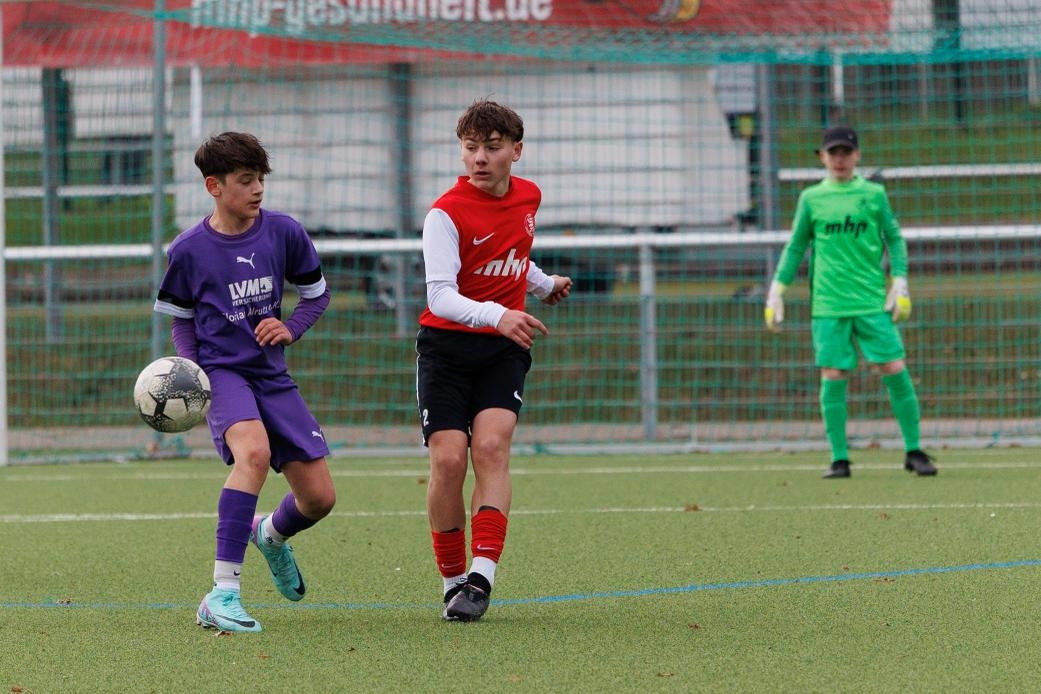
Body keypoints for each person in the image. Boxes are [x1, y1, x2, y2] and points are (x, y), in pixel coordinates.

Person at [153, 132, 336, 633]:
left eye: (260, 180)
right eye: (245, 180)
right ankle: (222, 594)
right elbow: (182, 320)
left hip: (271, 374)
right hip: (222, 373)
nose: (257, 190)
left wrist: (291, 327)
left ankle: (270, 535)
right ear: (214, 186)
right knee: (253, 454)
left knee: (319, 498)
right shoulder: (188, 249)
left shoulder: (284, 232)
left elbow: (316, 295)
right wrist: (194, 376)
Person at [416, 99, 573, 622]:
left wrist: (544, 284)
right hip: (445, 349)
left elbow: (513, 251)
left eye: (492, 147)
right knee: (449, 461)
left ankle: (480, 579)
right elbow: (440, 296)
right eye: (471, 148)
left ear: (516, 151)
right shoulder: (444, 214)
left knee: (490, 447)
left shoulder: (529, 196)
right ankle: (452, 581)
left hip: (503, 349)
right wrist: (498, 314)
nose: (480, 158)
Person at [764, 124, 937, 479]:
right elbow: (796, 246)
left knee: (894, 367)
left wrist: (899, 279)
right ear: (822, 157)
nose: (839, 159)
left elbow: (894, 239)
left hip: (871, 301)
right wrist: (777, 288)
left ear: (857, 156)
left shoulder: (873, 194)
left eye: (846, 152)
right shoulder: (811, 198)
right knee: (833, 374)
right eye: (833, 153)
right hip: (828, 305)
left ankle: (914, 450)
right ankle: (839, 458)